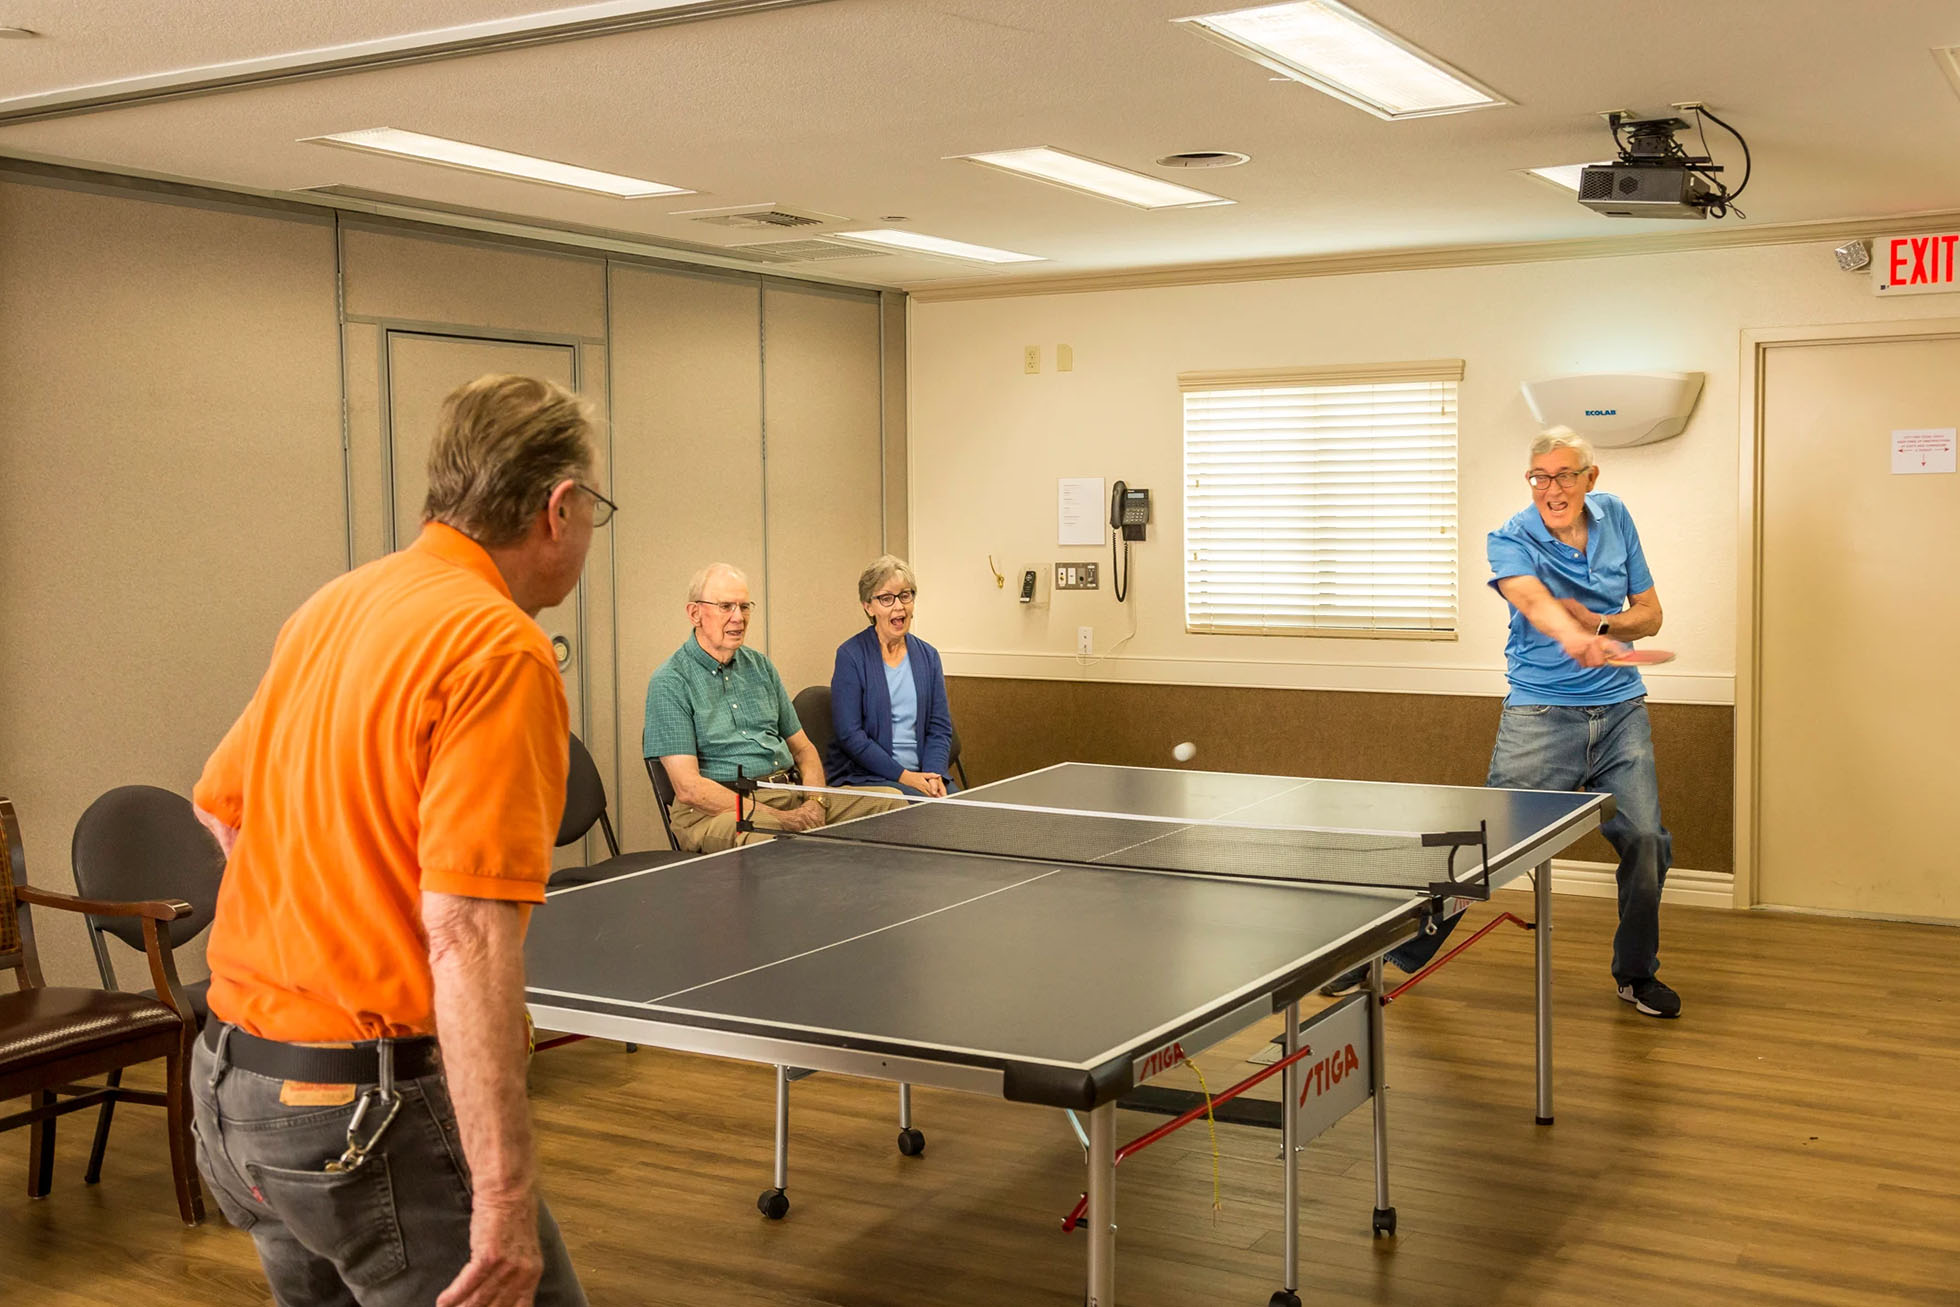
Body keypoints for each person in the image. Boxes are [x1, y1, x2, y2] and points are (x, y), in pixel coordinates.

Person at [189, 374, 602, 1306]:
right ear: (559, 507)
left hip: (234, 1093)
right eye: (594, 510)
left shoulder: (333, 606)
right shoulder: (498, 647)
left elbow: (221, 806)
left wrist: (323, 930)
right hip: (367, 1117)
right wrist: (502, 1199)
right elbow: (466, 934)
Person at [1327, 428, 1679, 1019]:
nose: (1551, 489)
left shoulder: (1616, 516)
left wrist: (1601, 626)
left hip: (1621, 713)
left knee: (1647, 842)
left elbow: (1651, 616)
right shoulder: (1511, 538)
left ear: (1591, 478)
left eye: (1564, 475)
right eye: (1539, 477)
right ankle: (1391, 954)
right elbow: (1534, 603)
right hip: (1540, 716)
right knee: (1481, 850)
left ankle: (1637, 975)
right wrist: (1572, 635)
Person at [644, 563, 899, 852]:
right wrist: (782, 818)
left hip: (788, 794)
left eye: (744, 607)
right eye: (726, 606)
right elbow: (689, 788)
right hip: (718, 811)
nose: (738, 617)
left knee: (891, 804)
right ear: (695, 614)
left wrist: (815, 801)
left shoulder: (761, 667)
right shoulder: (670, 681)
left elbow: (804, 750)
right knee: (775, 840)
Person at [827, 555, 957, 798]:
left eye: (905, 595)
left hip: (924, 774)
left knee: (961, 809)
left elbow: (939, 727)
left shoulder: (929, 656)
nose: (899, 606)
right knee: (927, 809)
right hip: (870, 776)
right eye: (887, 598)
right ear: (868, 606)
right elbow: (850, 735)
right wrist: (905, 776)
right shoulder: (850, 655)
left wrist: (933, 774)